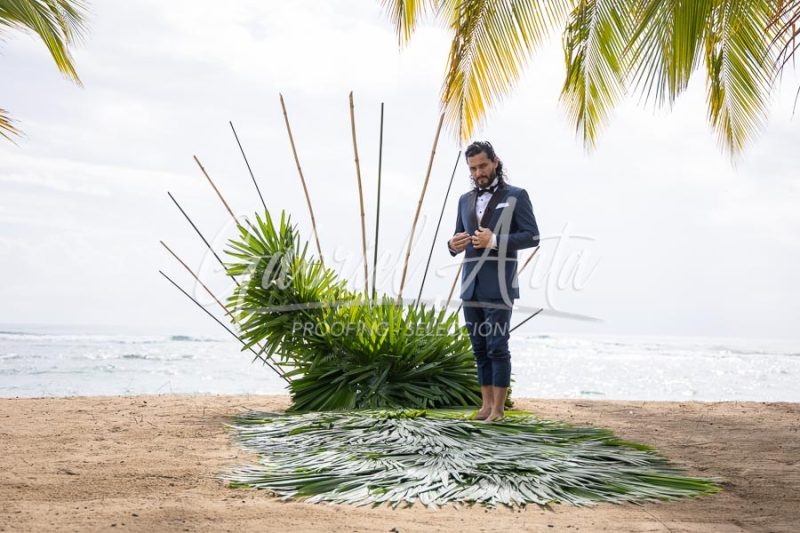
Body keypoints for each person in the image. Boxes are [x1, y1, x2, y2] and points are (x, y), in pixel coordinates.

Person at [447, 141, 539, 421]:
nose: (478, 173)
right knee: (479, 347)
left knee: (498, 346)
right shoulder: (464, 200)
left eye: (483, 166)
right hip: (469, 286)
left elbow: (532, 236)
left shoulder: (517, 196)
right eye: (473, 168)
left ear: (495, 162)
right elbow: (457, 238)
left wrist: (495, 240)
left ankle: (498, 410)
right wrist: (452, 244)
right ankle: (485, 406)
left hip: (499, 285)